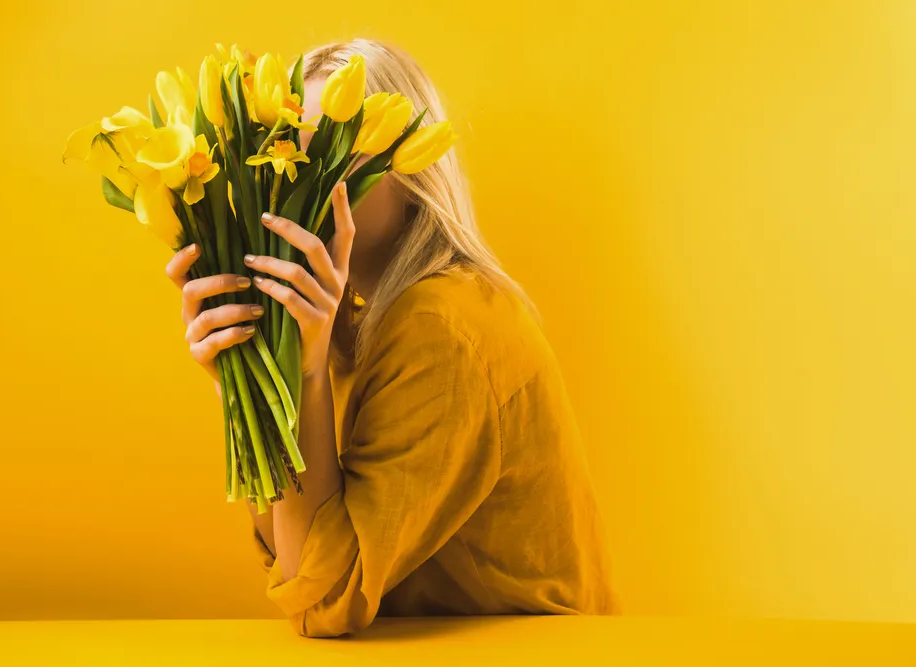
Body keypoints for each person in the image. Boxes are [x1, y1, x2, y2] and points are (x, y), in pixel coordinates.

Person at [164, 37, 621, 638]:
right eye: (289, 160)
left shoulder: (440, 325)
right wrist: (247, 375)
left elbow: (321, 598)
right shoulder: (362, 318)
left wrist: (299, 382)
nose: (303, 191)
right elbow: (297, 554)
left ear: (413, 171)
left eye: (339, 157)